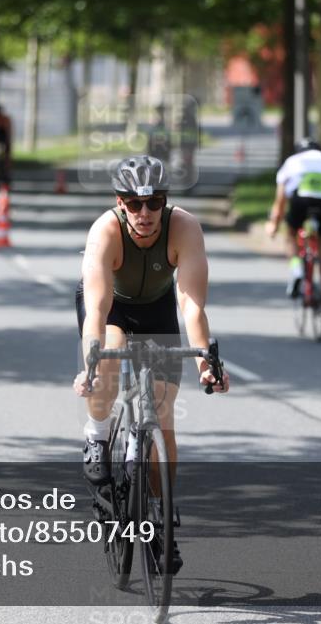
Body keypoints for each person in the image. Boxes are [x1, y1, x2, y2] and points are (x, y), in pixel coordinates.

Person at [73, 155, 230, 574]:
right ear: (120, 202)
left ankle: (160, 516)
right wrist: (91, 363)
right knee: (109, 349)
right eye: (133, 202)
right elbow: (98, 308)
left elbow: (191, 305)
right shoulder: (105, 231)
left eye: (154, 202)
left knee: (163, 420)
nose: (144, 213)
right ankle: (97, 433)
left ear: (166, 201)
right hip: (110, 308)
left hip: (158, 309)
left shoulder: (185, 228)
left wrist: (204, 363)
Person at [266, 138, 321, 309]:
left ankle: (296, 270)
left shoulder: (292, 162)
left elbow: (280, 202)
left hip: (301, 197)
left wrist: (274, 225)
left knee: (291, 234)